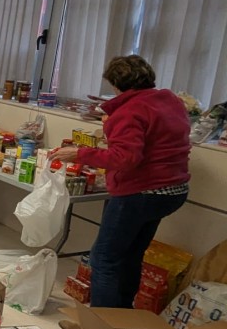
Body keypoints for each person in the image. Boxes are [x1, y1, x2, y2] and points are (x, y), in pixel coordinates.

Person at [50, 55, 191, 309]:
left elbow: (126, 158)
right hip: (173, 191)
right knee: (130, 255)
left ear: (116, 84)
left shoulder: (129, 111)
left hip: (141, 193)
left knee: (104, 259)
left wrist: (79, 153)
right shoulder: (170, 102)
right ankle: (123, 320)